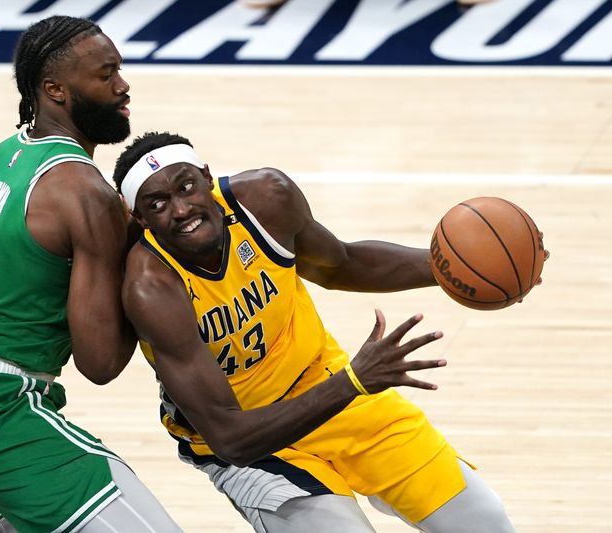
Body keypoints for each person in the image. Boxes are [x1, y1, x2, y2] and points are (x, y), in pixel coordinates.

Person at [111, 131, 518, 533]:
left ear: (207, 177)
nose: (181, 209)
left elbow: (337, 264)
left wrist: (452, 270)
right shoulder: (152, 287)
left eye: (186, 186)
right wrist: (354, 381)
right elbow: (230, 438)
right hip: (255, 444)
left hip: (325, 385)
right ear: (141, 219)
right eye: (158, 203)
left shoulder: (265, 200)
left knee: (483, 520)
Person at [0, 17, 182, 533]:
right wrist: (145, 257)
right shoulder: (86, 193)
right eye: (105, 75)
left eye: (119, 69)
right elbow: (99, 363)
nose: (122, 85)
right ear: (54, 89)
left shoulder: (6, 152)